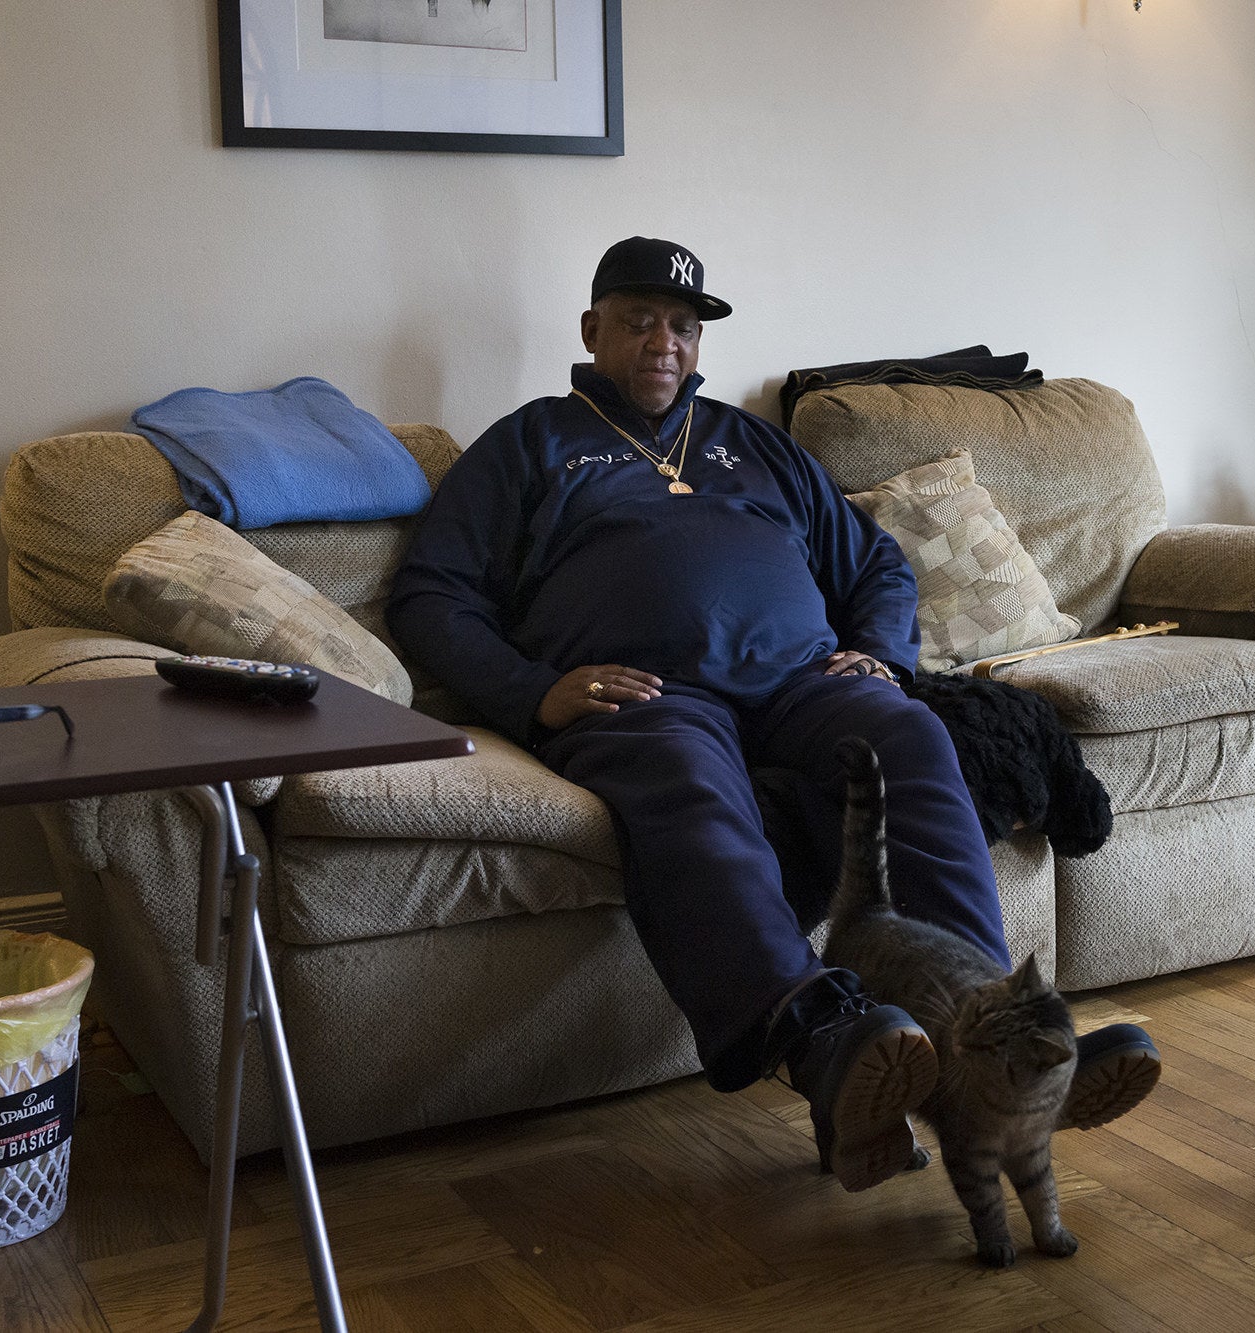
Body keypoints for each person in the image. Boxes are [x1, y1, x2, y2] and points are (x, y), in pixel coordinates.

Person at [387, 236, 1159, 1192]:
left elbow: (873, 562)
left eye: (681, 325)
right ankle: (824, 1041)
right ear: (592, 331)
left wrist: (876, 651)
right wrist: (531, 690)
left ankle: (988, 1032)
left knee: (910, 733)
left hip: (801, 683)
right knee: (684, 785)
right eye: (637, 321)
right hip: (649, 697)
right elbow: (430, 594)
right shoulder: (531, 443)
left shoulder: (753, 446)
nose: (662, 342)